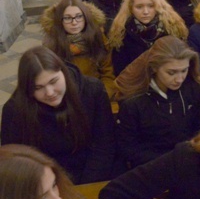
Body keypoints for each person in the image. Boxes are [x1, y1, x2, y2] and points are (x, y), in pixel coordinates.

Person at [1, 47, 115, 184]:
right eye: (38, 88)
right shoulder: (14, 110)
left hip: (93, 170)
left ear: (64, 72)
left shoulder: (93, 90)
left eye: (53, 81)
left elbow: (104, 144)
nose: (49, 93)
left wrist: (87, 185)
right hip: (44, 179)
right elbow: (17, 160)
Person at [114, 36, 200, 169]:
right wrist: (169, 161)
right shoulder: (133, 101)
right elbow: (128, 148)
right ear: (154, 68)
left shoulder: (195, 89)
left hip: (189, 160)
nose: (179, 79)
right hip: (150, 166)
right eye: (171, 72)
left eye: (184, 70)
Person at [40, 0, 116, 103]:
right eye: (67, 18)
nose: (74, 22)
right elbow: (49, 81)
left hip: (96, 94)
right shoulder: (52, 45)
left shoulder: (98, 38)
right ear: (59, 20)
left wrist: (102, 96)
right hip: (65, 98)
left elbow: (108, 74)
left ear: (86, 17)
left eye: (79, 16)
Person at [108, 0, 188, 75]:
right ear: (131, 9)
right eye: (139, 7)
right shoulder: (121, 33)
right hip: (135, 83)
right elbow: (120, 71)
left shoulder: (173, 29)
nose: (146, 12)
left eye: (151, 6)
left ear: (158, 6)